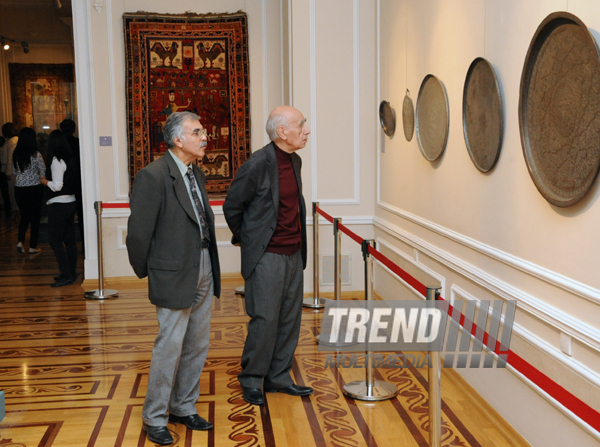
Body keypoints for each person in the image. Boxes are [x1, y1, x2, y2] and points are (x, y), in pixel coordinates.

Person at [126, 111, 220, 446]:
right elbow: (138, 236)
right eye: (197, 131)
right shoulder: (152, 176)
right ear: (178, 139)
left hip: (204, 266)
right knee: (169, 347)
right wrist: (153, 273)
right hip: (173, 273)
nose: (205, 136)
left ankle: (183, 406)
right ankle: (154, 418)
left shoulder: (196, 173)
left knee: (197, 344)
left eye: (204, 130)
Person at [223, 105, 312, 406]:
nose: (307, 130)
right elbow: (232, 207)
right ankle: (251, 379)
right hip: (268, 257)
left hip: (293, 253)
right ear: (282, 132)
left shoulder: (295, 161)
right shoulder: (257, 164)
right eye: (301, 124)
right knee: (265, 319)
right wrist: (248, 240)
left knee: (290, 318)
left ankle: (279, 376)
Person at [40, 130, 78, 287]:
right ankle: (71, 272)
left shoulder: (56, 160)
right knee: (69, 240)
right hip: (71, 202)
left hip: (59, 204)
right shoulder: (70, 159)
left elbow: (57, 186)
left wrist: (43, 181)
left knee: (55, 241)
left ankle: (66, 274)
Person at [12, 127, 45, 254]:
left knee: (24, 215)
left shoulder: (16, 153)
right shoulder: (36, 154)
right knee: (35, 217)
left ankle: (20, 241)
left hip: (19, 188)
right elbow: (43, 171)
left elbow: (14, 171)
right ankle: (32, 246)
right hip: (35, 188)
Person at [60, 119, 84, 253]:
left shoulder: (58, 144)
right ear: (74, 129)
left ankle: (68, 246)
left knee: (65, 218)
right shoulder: (78, 143)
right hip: (78, 182)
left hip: (63, 184)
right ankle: (85, 246)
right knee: (81, 214)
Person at [1, 122, 19, 215]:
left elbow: (9, 159)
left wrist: (7, 172)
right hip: (14, 170)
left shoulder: (12, 141)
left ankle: (16, 211)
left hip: (11, 171)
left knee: (14, 192)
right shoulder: (15, 140)